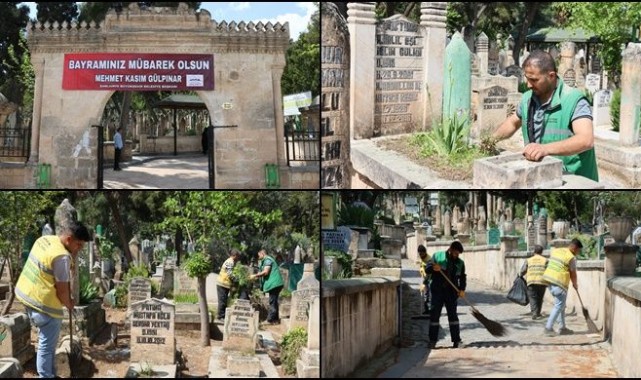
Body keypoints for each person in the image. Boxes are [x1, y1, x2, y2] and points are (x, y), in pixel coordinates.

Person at [492, 50, 598, 181]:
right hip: (541, 177)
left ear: (551, 76)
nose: (529, 85)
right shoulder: (527, 99)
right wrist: (490, 140)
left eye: (534, 80)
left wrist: (544, 149)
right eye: (527, 78)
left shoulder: (574, 100)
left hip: (573, 180)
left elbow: (586, 140)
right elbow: (512, 123)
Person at [15, 199, 91, 378]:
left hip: (26, 295)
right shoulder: (62, 258)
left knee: (45, 343)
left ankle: (48, 373)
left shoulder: (46, 240)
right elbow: (62, 292)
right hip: (43, 305)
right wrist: (70, 304)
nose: (78, 250)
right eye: (78, 245)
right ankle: (46, 376)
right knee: (47, 346)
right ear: (69, 238)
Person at [426, 241, 466, 349]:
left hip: (451, 293)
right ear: (450, 249)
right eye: (455, 253)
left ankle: (456, 340)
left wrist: (462, 289)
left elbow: (462, 277)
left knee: (453, 316)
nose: (457, 256)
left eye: (458, 254)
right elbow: (427, 269)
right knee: (434, 316)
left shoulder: (460, 263)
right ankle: (432, 340)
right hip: (437, 291)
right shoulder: (437, 256)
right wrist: (434, 268)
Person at [541, 238, 582, 336]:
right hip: (559, 282)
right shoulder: (571, 257)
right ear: (574, 248)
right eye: (578, 250)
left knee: (561, 306)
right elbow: (573, 273)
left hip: (549, 281)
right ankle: (548, 328)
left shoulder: (557, 251)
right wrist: (575, 284)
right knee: (559, 306)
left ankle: (562, 328)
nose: (578, 253)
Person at [251, 249, 284, 325]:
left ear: (262, 253)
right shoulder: (265, 260)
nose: (258, 257)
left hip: (274, 284)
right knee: (274, 302)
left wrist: (255, 275)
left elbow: (266, 272)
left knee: (272, 301)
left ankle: (269, 320)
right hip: (276, 284)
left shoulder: (267, 260)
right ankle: (275, 320)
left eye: (259, 255)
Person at [519, 244, 549, 320]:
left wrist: (520, 275)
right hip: (542, 281)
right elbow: (549, 271)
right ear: (542, 252)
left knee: (532, 298)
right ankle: (538, 312)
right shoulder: (545, 260)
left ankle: (534, 313)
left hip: (531, 281)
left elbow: (523, 270)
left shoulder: (529, 260)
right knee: (540, 297)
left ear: (534, 251)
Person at [216, 249, 241, 322]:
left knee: (224, 300)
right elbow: (230, 274)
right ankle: (220, 317)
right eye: (238, 256)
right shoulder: (230, 262)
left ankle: (222, 316)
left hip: (224, 284)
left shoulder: (230, 261)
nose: (238, 258)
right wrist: (237, 280)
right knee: (222, 300)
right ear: (235, 255)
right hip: (222, 284)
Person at [417, 245, 431, 315]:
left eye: (421, 254)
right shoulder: (422, 258)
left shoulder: (429, 260)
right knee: (425, 294)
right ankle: (427, 310)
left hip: (430, 280)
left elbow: (429, 271)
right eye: (419, 254)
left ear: (424, 252)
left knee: (429, 295)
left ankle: (431, 310)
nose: (420, 255)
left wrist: (425, 281)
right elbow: (422, 267)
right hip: (425, 279)